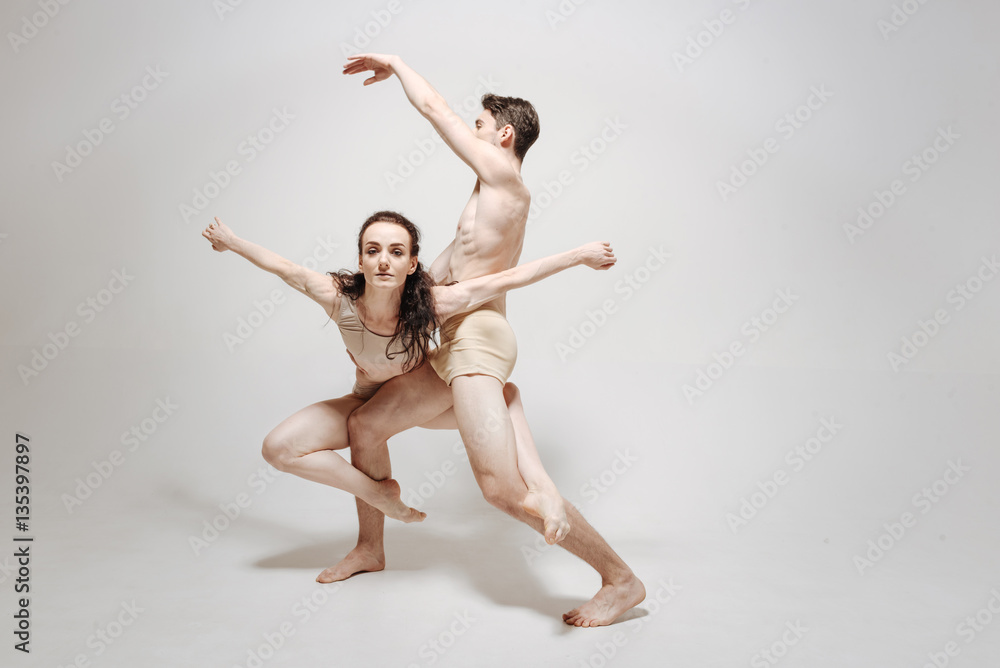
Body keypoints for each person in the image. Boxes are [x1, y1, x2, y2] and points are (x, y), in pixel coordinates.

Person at [341, 54, 645, 627]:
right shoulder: (482, 201)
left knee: (500, 492)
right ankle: (370, 546)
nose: (470, 130)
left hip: (477, 341)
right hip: (450, 342)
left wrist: (396, 63)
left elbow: (433, 109)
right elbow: (438, 276)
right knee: (366, 423)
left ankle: (620, 579)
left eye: (478, 125)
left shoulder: (505, 178)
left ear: (503, 135)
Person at [200, 212, 616, 577]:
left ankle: (376, 539)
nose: (384, 260)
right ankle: (377, 503)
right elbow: (284, 267)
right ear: (360, 259)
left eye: (397, 252)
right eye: (373, 250)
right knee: (279, 448)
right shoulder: (337, 297)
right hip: (369, 395)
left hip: (424, 397)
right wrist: (232, 242)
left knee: (405, 420)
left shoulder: (432, 303)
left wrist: (578, 255)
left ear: (412, 262)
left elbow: (507, 279)